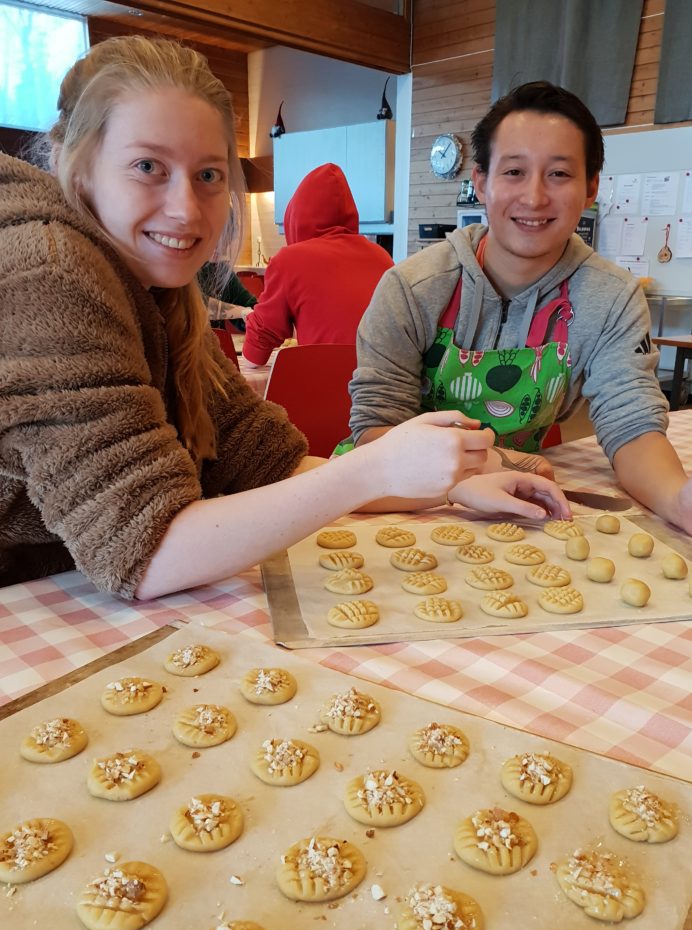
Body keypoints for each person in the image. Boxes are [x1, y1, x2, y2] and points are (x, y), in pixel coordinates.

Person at [0, 37, 568, 600]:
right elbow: (145, 552)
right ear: (73, 164)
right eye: (148, 166)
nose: (185, 209)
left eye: (208, 175)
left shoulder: (162, 292)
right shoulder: (50, 271)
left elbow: (268, 460)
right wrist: (373, 470)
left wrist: (451, 486)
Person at [347, 81, 692, 542]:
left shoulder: (610, 298)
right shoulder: (413, 288)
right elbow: (375, 429)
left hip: (523, 510)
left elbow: (631, 424)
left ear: (591, 188)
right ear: (481, 182)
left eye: (559, 174)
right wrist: (485, 468)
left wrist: (679, 501)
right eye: (514, 172)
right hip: (395, 501)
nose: (534, 198)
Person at [242, 163, 394, 366]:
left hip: (323, 380)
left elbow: (255, 355)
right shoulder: (383, 258)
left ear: (296, 216)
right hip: (384, 382)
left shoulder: (290, 260)